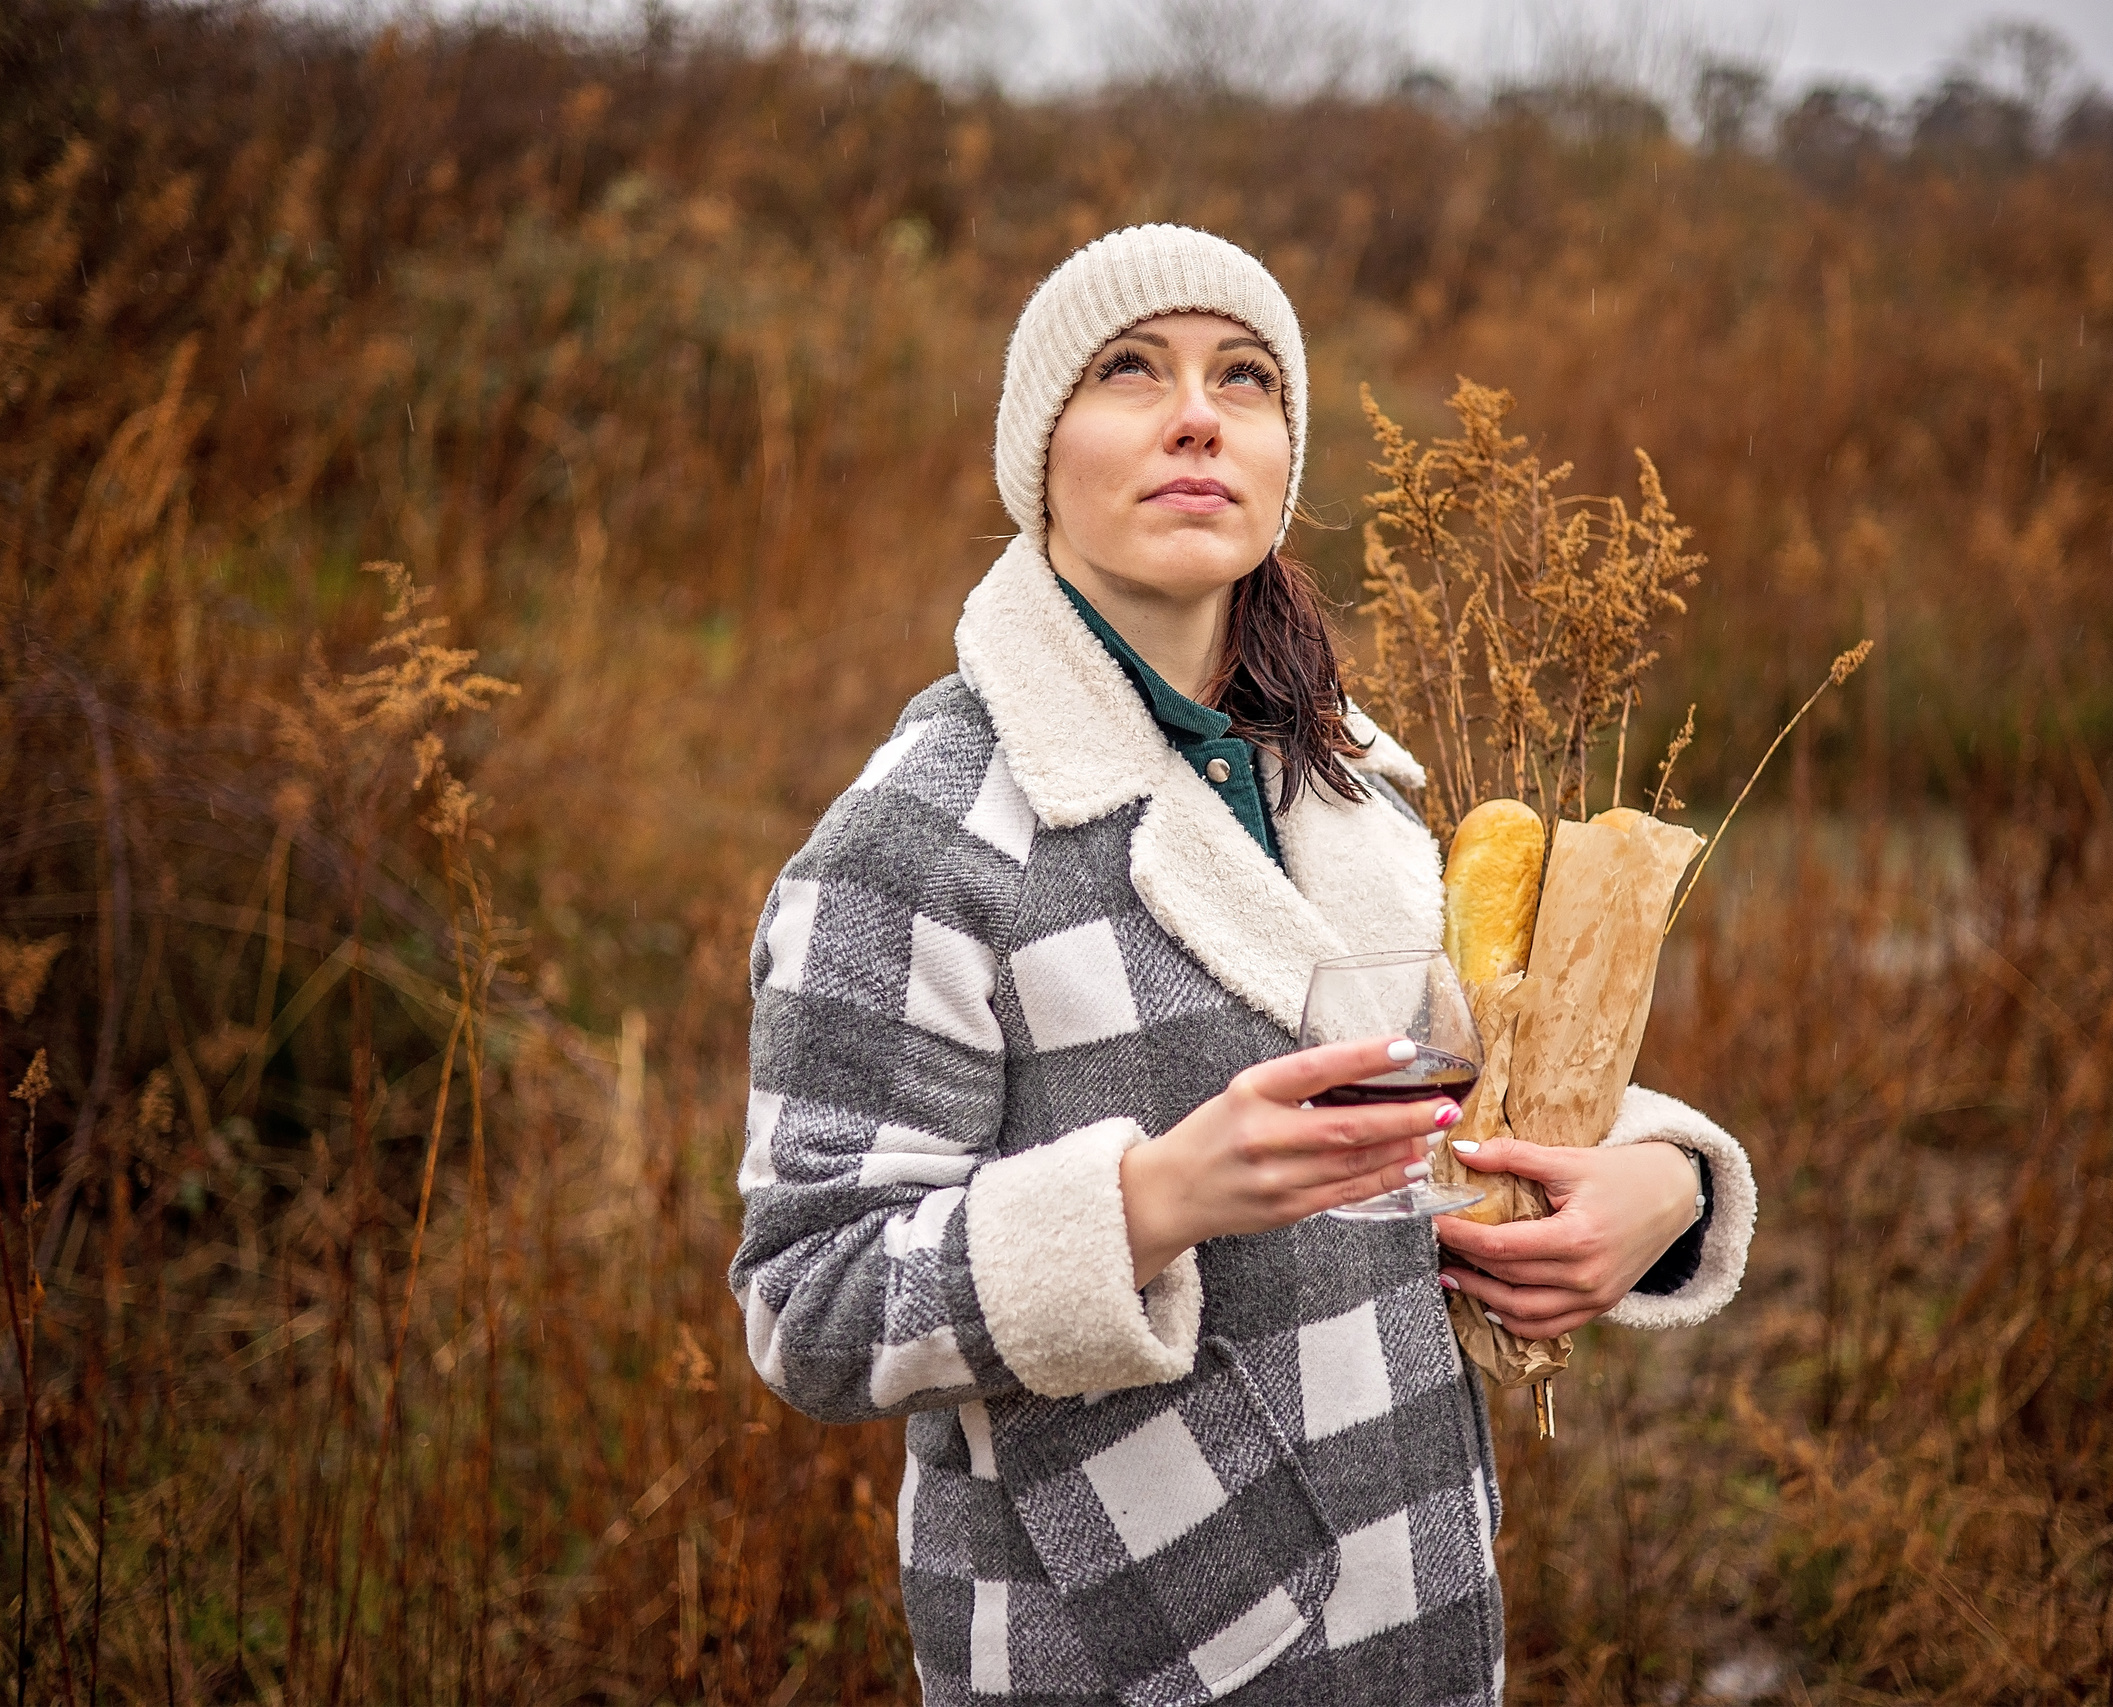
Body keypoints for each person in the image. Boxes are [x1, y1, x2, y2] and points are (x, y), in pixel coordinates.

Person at [730, 224, 1756, 1706]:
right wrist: (1150, 1202)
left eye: (1246, 378)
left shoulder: (1349, 786)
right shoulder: (918, 838)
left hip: (1419, 1615)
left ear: (1285, 459)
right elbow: (807, 1301)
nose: (1197, 416)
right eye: (1129, 370)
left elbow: (1448, 1091)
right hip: (1121, 1662)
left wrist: (1664, 1188)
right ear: (1038, 456)